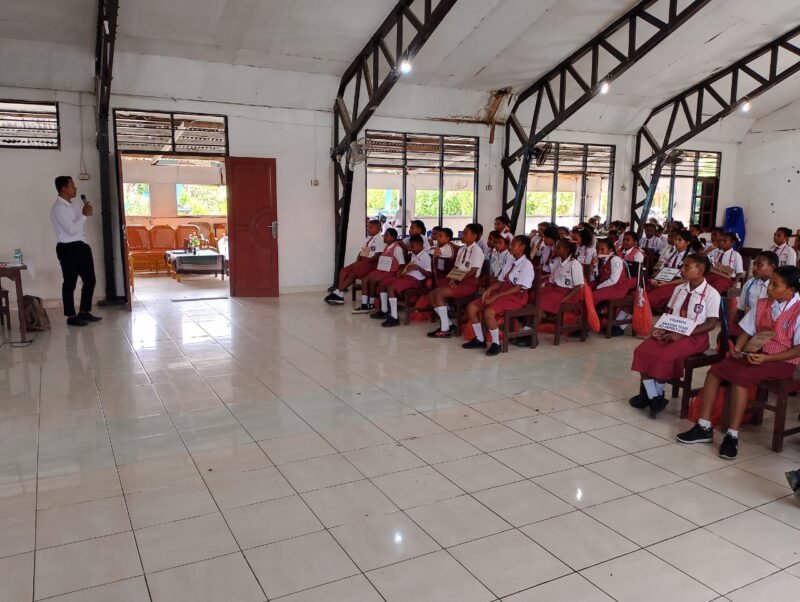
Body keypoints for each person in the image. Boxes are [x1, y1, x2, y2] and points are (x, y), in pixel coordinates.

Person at [677, 266, 800, 459]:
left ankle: (732, 435)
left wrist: (767, 358)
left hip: (782, 361)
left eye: (775, 285)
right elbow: (748, 331)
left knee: (740, 377)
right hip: (755, 354)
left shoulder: (798, 311)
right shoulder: (763, 303)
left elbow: (798, 349)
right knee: (716, 370)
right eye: (770, 283)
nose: (769, 288)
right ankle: (704, 427)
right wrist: (738, 348)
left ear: (790, 290)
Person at [630, 254, 721, 418]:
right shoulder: (679, 289)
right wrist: (659, 328)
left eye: (687, 267)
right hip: (672, 330)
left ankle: (653, 395)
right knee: (642, 351)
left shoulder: (711, 294)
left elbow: (710, 324)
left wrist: (682, 334)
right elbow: (669, 313)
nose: (682, 269)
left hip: (695, 337)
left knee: (665, 355)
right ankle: (654, 397)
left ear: (700, 270)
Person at [463, 235, 534, 356]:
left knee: (489, 312)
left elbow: (518, 288)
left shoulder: (527, 265)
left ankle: (496, 344)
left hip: (517, 296)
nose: (510, 247)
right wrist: (489, 289)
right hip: (503, 291)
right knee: (472, 307)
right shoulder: (510, 261)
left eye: (513, 245)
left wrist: (496, 296)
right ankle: (480, 339)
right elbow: (501, 281)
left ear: (522, 247)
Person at [50, 176, 101, 327]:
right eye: (72, 186)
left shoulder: (73, 205)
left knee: (90, 280)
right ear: (64, 188)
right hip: (68, 248)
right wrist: (84, 215)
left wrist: (84, 212)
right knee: (70, 283)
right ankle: (71, 316)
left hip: (81, 246)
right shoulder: (59, 208)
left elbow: (78, 225)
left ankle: (84, 311)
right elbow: (72, 230)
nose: (75, 188)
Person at [427, 223, 485, 338]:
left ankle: (445, 329)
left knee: (439, 294)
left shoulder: (477, 251)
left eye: (465, 233)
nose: (462, 235)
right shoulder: (462, 249)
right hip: (458, 279)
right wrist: (453, 279)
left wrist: (457, 279)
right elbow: (456, 267)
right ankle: (448, 324)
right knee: (431, 294)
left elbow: (473, 271)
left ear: (474, 236)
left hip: (469, 283)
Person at [376, 235, 432, 327]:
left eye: (412, 247)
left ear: (420, 245)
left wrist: (418, 268)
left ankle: (394, 317)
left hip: (415, 280)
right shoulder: (414, 254)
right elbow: (409, 266)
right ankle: (384, 310)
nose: (411, 249)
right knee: (382, 284)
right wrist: (402, 270)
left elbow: (429, 274)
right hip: (407, 277)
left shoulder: (426, 256)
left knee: (391, 288)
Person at [325, 219, 385, 305]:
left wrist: (363, 263)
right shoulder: (369, 238)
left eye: (371, 227)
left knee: (353, 273)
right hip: (363, 261)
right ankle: (340, 295)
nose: (368, 229)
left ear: (378, 228)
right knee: (343, 271)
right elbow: (363, 252)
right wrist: (357, 261)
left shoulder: (380, 239)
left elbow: (377, 256)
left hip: (371, 263)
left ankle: (336, 292)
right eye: (368, 227)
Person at [354, 228, 405, 313]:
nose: (384, 237)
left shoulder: (397, 248)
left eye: (386, 236)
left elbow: (402, 263)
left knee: (373, 280)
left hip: (391, 271)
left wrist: (399, 273)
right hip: (382, 269)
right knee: (365, 279)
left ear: (393, 238)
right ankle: (364, 304)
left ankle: (371, 304)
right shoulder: (386, 247)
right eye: (384, 235)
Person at [646, 229, 692, 311]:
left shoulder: (690, 258)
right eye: (675, 239)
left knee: (649, 298)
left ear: (687, 243)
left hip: (676, 283)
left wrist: (666, 283)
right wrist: (655, 278)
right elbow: (662, 268)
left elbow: (687, 279)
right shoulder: (671, 254)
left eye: (680, 240)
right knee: (639, 293)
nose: (676, 242)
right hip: (663, 279)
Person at [538, 238, 585, 314]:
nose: (555, 249)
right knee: (536, 294)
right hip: (555, 289)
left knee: (543, 298)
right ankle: (542, 316)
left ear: (566, 250)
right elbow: (553, 277)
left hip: (568, 293)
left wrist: (563, 299)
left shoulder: (575, 264)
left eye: (558, 247)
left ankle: (537, 320)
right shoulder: (557, 261)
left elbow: (578, 287)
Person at [592, 238, 634, 306]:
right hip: (607, 285)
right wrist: (594, 265)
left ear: (610, 250)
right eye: (597, 249)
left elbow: (613, 280)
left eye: (602, 249)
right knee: (586, 290)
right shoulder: (603, 260)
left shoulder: (615, 260)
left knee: (592, 296)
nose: (598, 252)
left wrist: (599, 286)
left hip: (617, 288)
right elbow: (598, 276)